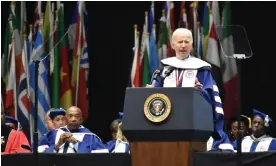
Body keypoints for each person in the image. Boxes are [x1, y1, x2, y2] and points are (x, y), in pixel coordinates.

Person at [149, 28, 230, 151]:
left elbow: (212, 101)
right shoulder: (163, 70)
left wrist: (199, 94)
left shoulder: (202, 69)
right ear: (173, 44)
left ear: (191, 44)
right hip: (165, 124)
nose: (183, 46)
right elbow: (153, 98)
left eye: (186, 42)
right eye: (180, 42)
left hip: (192, 125)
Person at [38, 106, 108, 153]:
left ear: (81, 120)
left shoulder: (91, 137)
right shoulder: (53, 134)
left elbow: (101, 158)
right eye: (70, 116)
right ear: (65, 119)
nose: (73, 119)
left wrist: (76, 142)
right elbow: (38, 155)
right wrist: (57, 145)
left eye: (77, 117)